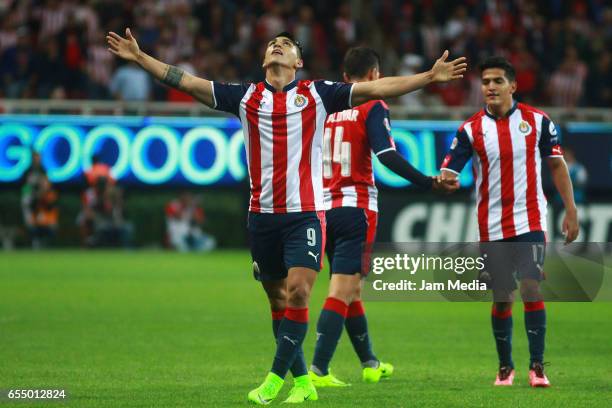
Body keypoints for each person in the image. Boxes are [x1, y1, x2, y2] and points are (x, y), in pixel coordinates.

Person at [107, 28, 466, 404]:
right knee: (278, 301)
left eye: (287, 45)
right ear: (265, 59)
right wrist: (141, 57)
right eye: (271, 44)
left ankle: (274, 380)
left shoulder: (318, 94)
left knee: (299, 292)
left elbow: (376, 90)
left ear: (298, 62)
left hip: (306, 215)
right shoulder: (244, 97)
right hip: (262, 217)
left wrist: (428, 77)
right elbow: (185, 81)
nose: (277, 45)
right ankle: (305, 381)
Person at [309, 47, 459, 388]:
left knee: (352, 291)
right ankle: (318, 370)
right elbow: (386, 153)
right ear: (377, 76)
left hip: (322, 209)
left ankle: (370, 363)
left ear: (345, 78)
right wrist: (428, 182)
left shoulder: (326, 108)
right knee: (341, 291)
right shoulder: (372, 104)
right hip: (356, 209)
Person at [440, 56, 579, 388]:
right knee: (503, 295)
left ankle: (537, 367)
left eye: (497, 81)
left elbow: (557, 166)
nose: (490, 87)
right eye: (486, 81)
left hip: (530, 218)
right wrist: (446, 178)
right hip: (491, 225)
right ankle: (505, 367)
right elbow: (450, 168)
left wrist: (571, 209)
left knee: (531, 287)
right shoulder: (471, 128)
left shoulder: (537, 121)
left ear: (513, 86)